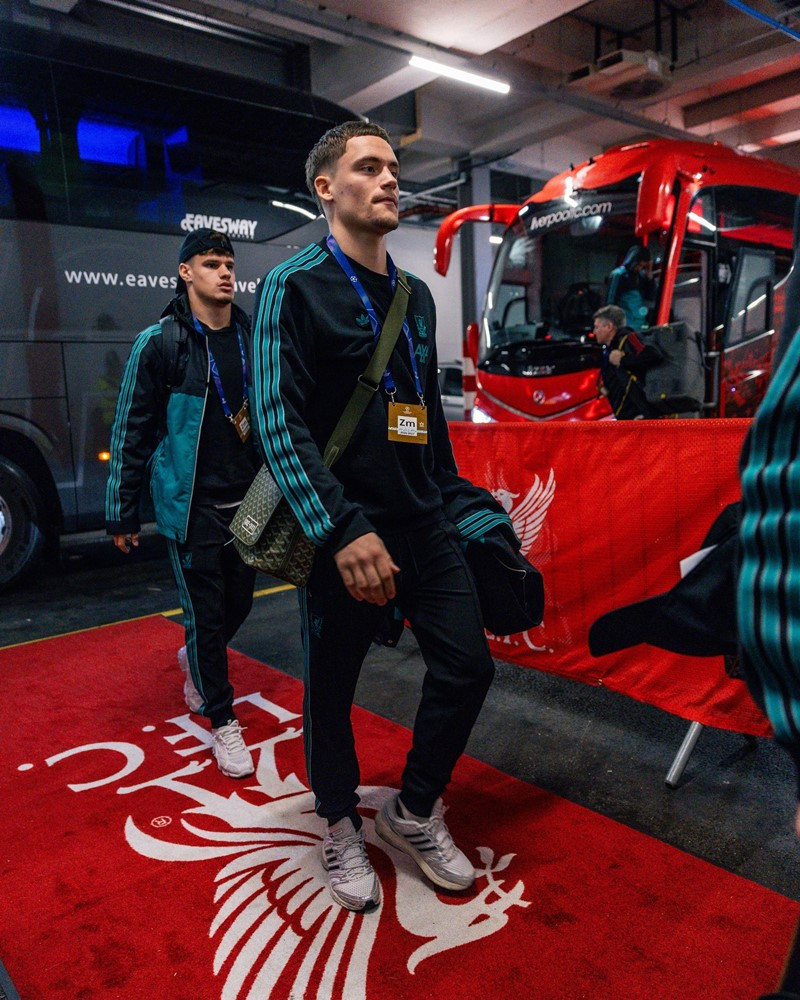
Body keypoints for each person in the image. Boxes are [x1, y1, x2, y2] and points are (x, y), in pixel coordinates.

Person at [250, 121, 507, 912]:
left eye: (394, 167)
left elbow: (423, 420)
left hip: (421, 523)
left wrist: (461, 510)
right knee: (331, 688)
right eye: (369, 167)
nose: (391, 178)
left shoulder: (414, 297)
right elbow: (276, 420)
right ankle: (337, 820)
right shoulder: (292, 287)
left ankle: (414, 808)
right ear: (326, 187)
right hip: (343, 532)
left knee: (469, 667)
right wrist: (341, 530)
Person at [105, 229, 260, 779]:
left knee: (239, 603)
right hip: (189, 502)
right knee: (207, 612)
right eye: (211, 263)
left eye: (229, 263)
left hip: (250, 502)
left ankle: (196, 656)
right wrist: (122, 510)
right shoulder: (161, 343)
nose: (225, 272)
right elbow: (131, 429)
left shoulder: (251, 335)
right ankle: (223, 720)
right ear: (185, 272)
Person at [593, 304, 660, 419]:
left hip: (639, 415)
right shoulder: (609, 350)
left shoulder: (629, 338)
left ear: (609, 327)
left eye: (597, 327)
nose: (594, 332)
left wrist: (623, 360)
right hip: (624, 417)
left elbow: (653, 355)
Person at [607, 245, 655, 331]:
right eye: (638, 265)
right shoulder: (619, 274)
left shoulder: (640, 276)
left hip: (639, 324)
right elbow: (611, 301)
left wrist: (649, 276)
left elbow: (650, 297)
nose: (639, 268)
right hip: (625, 324)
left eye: (642, 266)